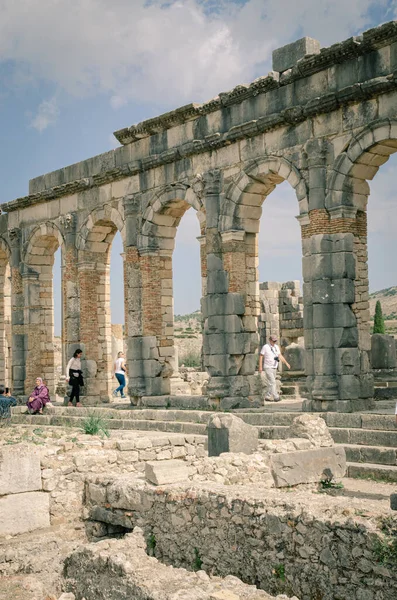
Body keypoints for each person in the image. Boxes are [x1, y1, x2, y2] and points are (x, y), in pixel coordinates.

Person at [258, 335, 290, 402]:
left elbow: (280, 356)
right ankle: (276, 397)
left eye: (275, 341)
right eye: (273, 341)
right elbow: (261, 356)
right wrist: (260, 366)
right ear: (270, 340)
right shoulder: (265, 347)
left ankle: (268, 396)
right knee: (272, 382)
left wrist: (286, 363)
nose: (274, 342)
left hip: (274, 367)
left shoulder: (276, 347)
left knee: (271, 383)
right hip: (268, 367)